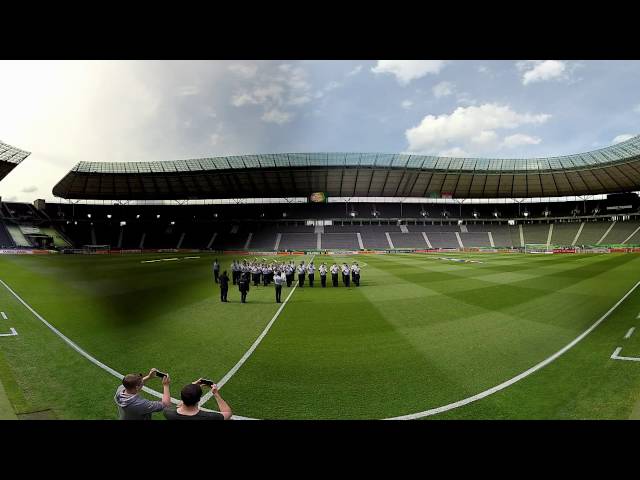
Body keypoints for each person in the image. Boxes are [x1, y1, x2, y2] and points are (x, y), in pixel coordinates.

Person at [163, 380, 232, 420]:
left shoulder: (168, 413)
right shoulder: (209, 417)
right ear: (199, 399)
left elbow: (178, 406)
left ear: (181, 397)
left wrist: (192, 387)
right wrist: (216, 394)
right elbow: (228, 413)